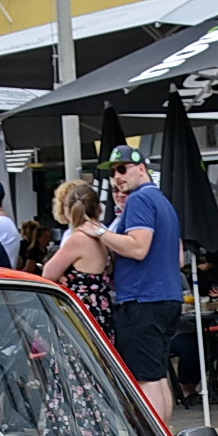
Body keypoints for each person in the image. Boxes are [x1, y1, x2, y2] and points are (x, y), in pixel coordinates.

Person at [82, 145, 182, 420]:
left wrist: (99, 232)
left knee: (145, 380)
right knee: (158, 376)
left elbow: (138, 248)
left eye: (122, 169)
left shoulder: (139, 200)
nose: (117, 177)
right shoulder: (162, 201)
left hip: (142, 298)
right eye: (113, 172)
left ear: (141, 168)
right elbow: (179, 256)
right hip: (166, 297)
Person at [42, 181, 113, 338]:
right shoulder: (104, 234)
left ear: (69, 209)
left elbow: (48, 273)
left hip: (82, 309)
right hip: (101, 306)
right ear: (98, 208)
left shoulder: (78, 239)